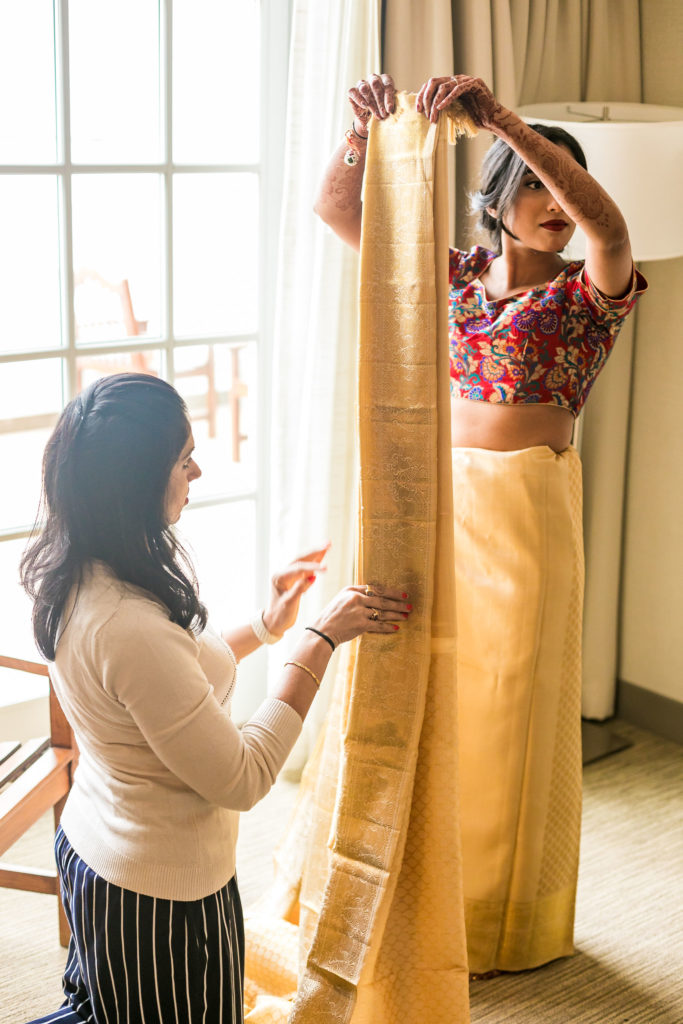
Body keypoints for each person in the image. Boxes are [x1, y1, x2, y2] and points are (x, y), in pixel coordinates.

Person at [314, 73, 647, 975]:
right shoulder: (452, 274)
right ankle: (408, 886)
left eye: (563, 185)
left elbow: (610, 228)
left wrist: (503, 121)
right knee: (426, 697)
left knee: (507, 707)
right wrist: (360, 134)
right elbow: (338, 213)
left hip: (526, 511)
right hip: (433, 501)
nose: (556, 204)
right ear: (496, 200)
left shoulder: (592, 290)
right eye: (534, 184)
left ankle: (490, 918)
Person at [19, 372, 412, 1023]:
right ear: (134, 484)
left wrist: (268, 623)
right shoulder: (126, 623)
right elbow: (243, 777)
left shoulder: (78, 562)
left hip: (97, 846)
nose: (196, 470)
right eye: (182, 460)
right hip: (155, 895)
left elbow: (167, 684)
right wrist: (317, 640)